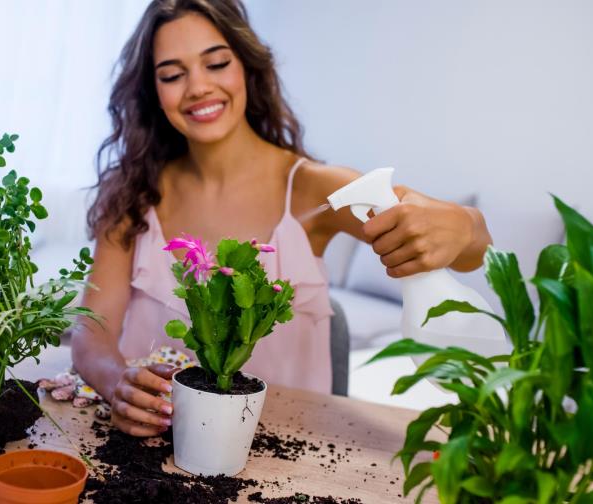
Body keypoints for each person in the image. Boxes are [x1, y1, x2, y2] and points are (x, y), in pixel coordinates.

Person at [71, 0, 492, 437]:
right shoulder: (131, 195)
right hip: (154, 451)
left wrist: (466, 226)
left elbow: (467, 245)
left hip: (291, 459)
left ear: (247, 67)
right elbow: (91, 331)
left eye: (216, 63)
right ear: (151, 91)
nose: (197, 87)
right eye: (173, 75)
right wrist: (115, 382)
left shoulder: (312, 188)